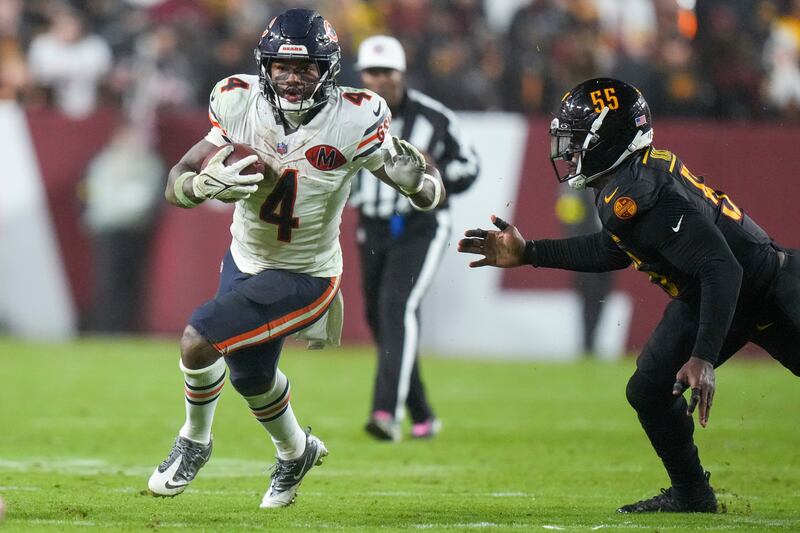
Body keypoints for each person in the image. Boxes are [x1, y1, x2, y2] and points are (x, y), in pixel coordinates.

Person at [147, 9, 445, 509]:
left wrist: (422, 187)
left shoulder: (354, 116)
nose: (292, 77)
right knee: (250, 376)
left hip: (306, 274)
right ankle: (296, 450)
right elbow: (176, 181)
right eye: (282, 66)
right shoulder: (236, 100)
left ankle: (195, 440)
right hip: (244, 258)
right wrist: (199, 185)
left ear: (328, 67)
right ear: (265, 65)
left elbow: (419, 180)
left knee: (199, 339)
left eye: (306, 66)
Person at [458, 77, 799, 513]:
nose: (566, 152)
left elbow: (723, 267)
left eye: (577, 141)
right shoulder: (624, 183)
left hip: (769, 288)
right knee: (648, 390)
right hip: (710, 294)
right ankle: (692, 495)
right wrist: (530, 253)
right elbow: (613, 250)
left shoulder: (641, 192)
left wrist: (705, 356)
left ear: (609, 139)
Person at [350, 35, 479, 441]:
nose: (379, 79)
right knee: (380, 317)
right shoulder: (346, 116)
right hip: (371, 225)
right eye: (372, 71)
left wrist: (435, 175)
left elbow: (469, 166)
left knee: (396, 306)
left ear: (401, 74)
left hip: (421, 225)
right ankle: (423, 412)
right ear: (361, 74)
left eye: (387, 71)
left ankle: (385, 412)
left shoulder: (434, 117)